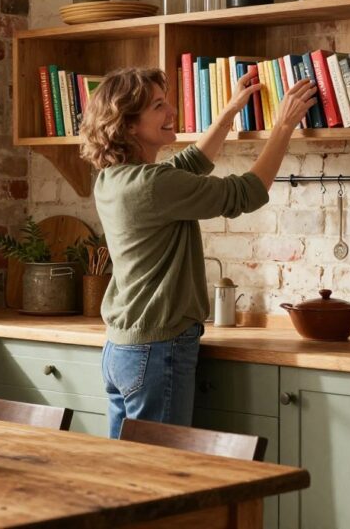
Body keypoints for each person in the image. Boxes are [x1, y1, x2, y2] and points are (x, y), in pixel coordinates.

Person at [80, 67, 317, 439]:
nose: (170, 111)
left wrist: (229, 111)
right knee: (161, 477)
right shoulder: (153, 186)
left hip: (122, 350)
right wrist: (284, 125)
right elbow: (246, 193)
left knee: (127, 474)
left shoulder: (113, 179)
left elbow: (187, 165)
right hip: (157, 350)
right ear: (128, 126)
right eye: (158, 106)